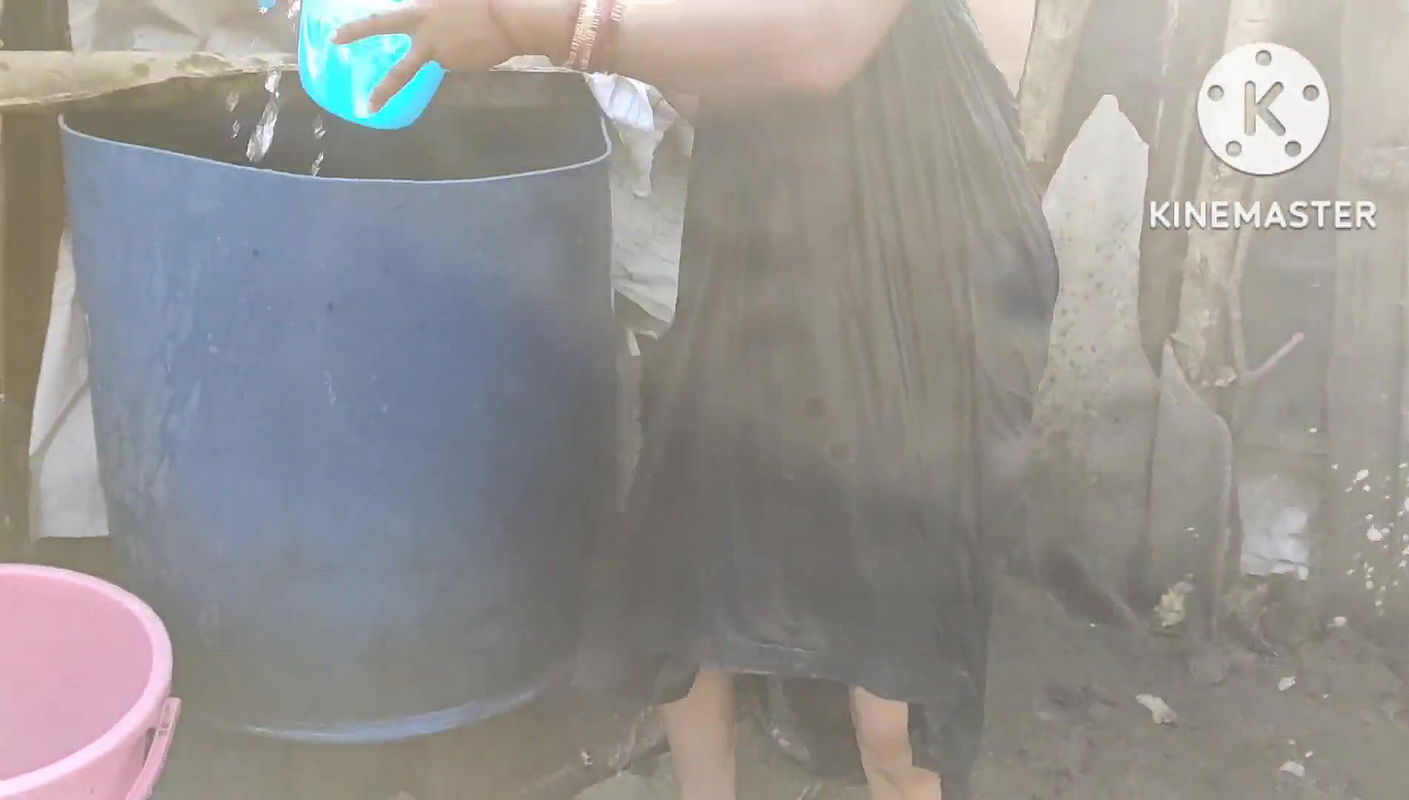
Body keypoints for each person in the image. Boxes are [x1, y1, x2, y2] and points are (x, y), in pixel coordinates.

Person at [337, 1, 1058, 798]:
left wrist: (547, 28)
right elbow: (715, 72)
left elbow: (823, 44)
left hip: (916, 253)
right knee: (692, 569)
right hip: (761, 234)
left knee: (890, 679)